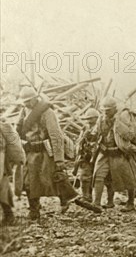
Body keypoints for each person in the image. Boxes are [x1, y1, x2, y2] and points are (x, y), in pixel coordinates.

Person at [17, 87, 79, 220]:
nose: (26, 104)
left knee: (53, 179)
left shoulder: (47, 112)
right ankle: (34, 209)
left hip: (45, 153)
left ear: (36, 98)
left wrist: (59, 160)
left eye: (28, 101)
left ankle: (65, 200)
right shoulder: (24, 111)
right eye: (24, 102)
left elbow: (56, 136)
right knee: (28, 182)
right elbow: (18, 131)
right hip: (30, 152)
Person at [92, 96, 136, 212]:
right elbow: (96, 132)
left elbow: (130, 135)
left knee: (129, 179)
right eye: (104, 110)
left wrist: (117, 123)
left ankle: (130, 203)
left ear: (114, 109)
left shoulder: (123, 118)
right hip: (104, 152)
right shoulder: (100, 119)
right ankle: (97, 203)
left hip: (120, 152)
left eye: (108, 110)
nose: (106, 112)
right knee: (99, 176)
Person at [0, 119, 25, 225]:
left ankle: (9, 215)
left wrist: (17, 160)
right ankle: (8, 214)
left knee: (2, 188)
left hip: (1, 161)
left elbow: (10, 145)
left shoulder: (3, 127)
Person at [74, 108, 99, 202]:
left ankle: (92, 197)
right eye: (87, 119)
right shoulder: (85, 128)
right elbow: (80, 141)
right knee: (84, 176)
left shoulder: (100, 128)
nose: (89, 121)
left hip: (96, 155)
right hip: (85, 155)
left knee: (96, 178)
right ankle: (86, 196)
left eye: (91, 119)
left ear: (96, 118)